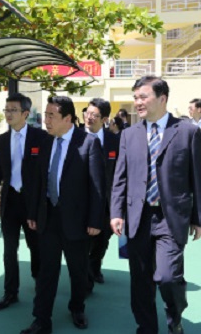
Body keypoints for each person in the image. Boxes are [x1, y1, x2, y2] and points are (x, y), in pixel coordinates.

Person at [110, 76, 201, 334]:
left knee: (167, 277)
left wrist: (200, 218)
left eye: (143, 97)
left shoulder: (187, 132)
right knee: (140, 280)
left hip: (171, 217)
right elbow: (120, 177)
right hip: (138, 216)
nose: (138, 102)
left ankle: (175, 317)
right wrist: (116, 212)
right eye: (135, 98)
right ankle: (146, 328)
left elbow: (198, 178)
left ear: (162, 98)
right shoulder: (129, 135)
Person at [21, 96, 105, 334]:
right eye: (45, 115)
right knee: (47, 271)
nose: (45, 120)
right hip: (48, 217)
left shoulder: (88, 143)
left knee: (78, 270)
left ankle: (77, 307)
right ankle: (41, 320)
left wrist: (95, 220)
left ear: (68, 118)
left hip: (77, 220)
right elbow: (38, 181)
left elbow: (97, 186)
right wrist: (33, 213)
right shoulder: (45, 142)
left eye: (51, 116)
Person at [0, 93, 45, 312]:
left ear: (25, 114)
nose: (8, 114)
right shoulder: (0, 141)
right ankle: (10, 292)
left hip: (32, 204)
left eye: (13, 110)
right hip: (10, 202)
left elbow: (44, 173)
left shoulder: (40, 137)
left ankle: (40, 284)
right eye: (6, 110)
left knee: (35, 246)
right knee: (9, 250)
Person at [84, 98, 120, 289]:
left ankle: (95, 266)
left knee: (103, 238)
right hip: (82, 201)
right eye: (87, 113)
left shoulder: (115, 141)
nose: (89, 118)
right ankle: (85, 276)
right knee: (84, 241)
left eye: (94, 115)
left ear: (105, 119)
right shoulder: (75, 138)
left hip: (107, 201)